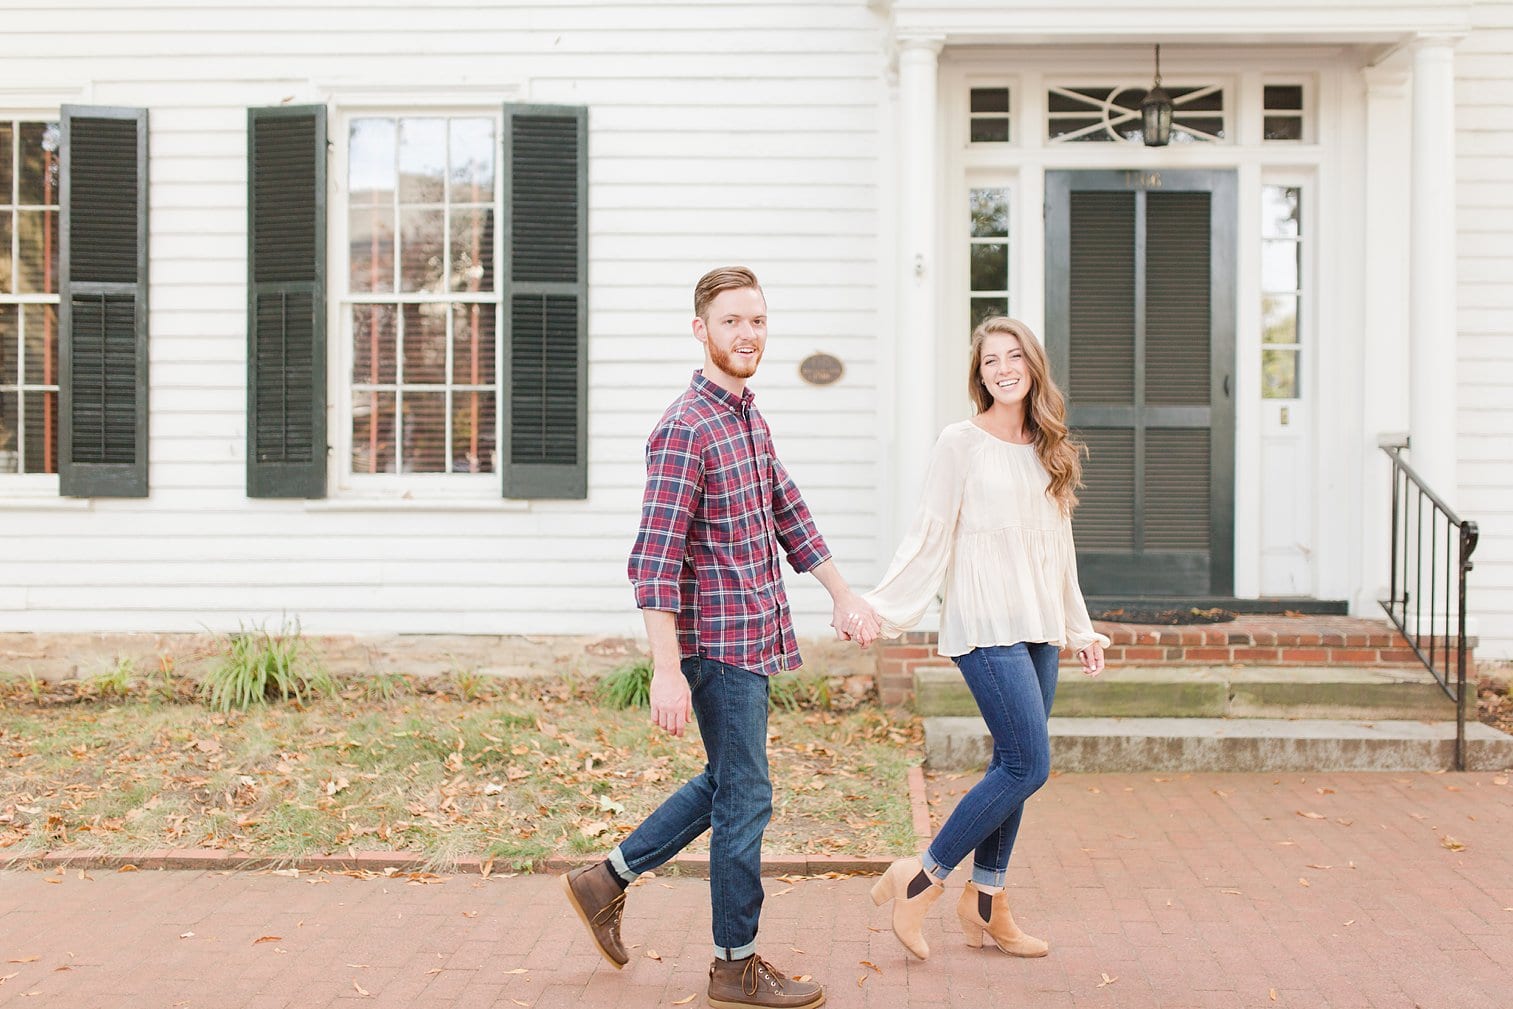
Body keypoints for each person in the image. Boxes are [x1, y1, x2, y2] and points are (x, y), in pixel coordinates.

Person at [561, 266, 880, 1009]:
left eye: (758, 321)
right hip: (717, 647)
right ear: (700, 329)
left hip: (755, 636)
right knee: (745, 797)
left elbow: (787, 510)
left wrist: (841, 592)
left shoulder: (747, 418)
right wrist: (665, 668)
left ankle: (603, 878)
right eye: (732, 321)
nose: (748, 334)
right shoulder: (685, 427)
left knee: (728, 784)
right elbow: (653, 558)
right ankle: (733, 966)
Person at [864, 316, 1109, 962]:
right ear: (979, 375)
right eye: (990, 361)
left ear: (1032, 367)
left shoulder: (1047, 448)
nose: (1003, 369)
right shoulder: (959, 443)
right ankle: (918, 879)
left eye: (1013, 357)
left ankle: (987, 902)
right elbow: (928, 532)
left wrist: (1078, 627)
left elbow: (1059, 550)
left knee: (1014, 768)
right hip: (984, 625)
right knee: (1029, 762)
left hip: (1038, 626)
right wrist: (880, 608)